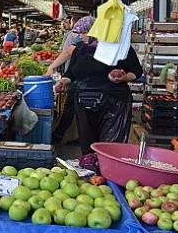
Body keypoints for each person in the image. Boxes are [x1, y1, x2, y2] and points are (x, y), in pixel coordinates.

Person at [54, 24, 143, 155]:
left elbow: (136, 72)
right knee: (88, 145)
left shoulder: (121, 48)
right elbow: (71, 73)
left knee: (111, 146)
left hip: (114, 102)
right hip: (85, 102)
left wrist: (123, 78)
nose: (80, 36)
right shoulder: (80, 49)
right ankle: (93, 172)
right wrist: (63, 81)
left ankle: (110, 172)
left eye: (84, 32)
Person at [45, 16, 95, 143]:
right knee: (78, 110)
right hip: (78, 80)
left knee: (73, 108)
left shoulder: (99, 44)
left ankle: (61, 135)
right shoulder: (83, 41)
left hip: (88, 85)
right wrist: (66, 78)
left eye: (83, 32)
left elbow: (68, 53)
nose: (80, 36)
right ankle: (80, 138)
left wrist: (52, 66)